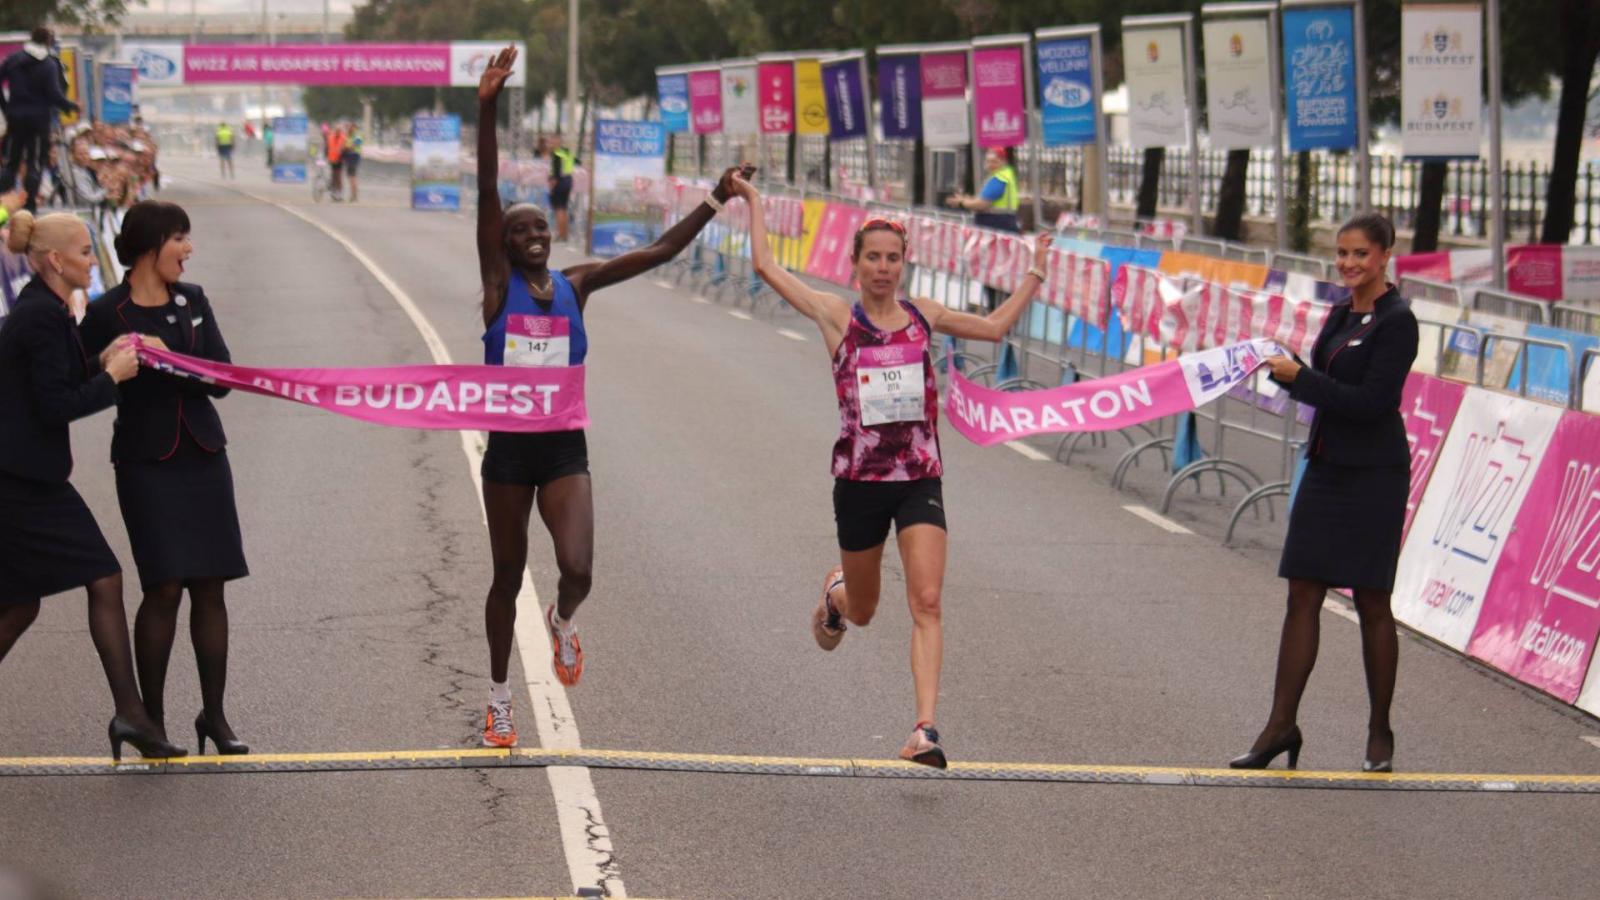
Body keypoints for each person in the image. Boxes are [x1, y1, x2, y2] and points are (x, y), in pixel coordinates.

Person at [474, 46, 750, 747]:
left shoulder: (579, 284)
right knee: (507, 576)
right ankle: (501, 697)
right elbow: (485, 195)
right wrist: (486, 109)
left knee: (578, 569)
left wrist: (716, 196)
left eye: (542, 228)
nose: (536, 236)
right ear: (503, 245)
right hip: (508, 452)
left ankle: (563, 624)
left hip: (564, 448)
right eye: (522, 231)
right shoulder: (495, 291)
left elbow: (659, 252)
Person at [733, 173, 1053, 769]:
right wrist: (753, 201)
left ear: (905, 263)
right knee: (864, 611)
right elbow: (766, 268)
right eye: (873, 258)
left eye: (893, 258)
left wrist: (1033, 271)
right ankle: (836, 594)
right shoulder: (836, 317)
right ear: (854, 264)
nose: (884, 268)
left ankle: (924, 730)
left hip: (919, 479)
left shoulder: (924, 316)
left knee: (927, 600)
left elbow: (993, 328)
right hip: (858, 484)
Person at [1231, 212, 1418, 774]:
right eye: (1341, 254)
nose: (1348, 264)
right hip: (1326, 468)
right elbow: (1323, 384)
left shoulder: (1398, 321)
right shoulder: (1340, 313)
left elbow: (1369, 402)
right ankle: (1279, 726)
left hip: (1374, 474)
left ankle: (1379, 730)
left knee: (1370, 602)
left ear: (1385, 256)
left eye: (1360, 254)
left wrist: (1301, 379)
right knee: (1302, 594)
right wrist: (1282, 371)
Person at [0, 211, 185, 761]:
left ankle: (133, 716)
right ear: (56, 261)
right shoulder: (38, 317)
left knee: (18, 605)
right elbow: (55, 405)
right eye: (83, 252)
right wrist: (111, 379)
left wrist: (103, 359)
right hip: (21, 481)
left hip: (23, 476)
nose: (92, 259)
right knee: (103, 577)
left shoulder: (49, 309)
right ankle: (132, 715)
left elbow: (55, 383)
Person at [81, 200, 250, 757]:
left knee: (211, 584)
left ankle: (215, 715)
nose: (189, 249)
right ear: (152, 245)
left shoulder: (192, 300)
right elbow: (80, 379)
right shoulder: (108, 310)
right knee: (165, 587)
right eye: (181, 238)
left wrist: (168, 355)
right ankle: (149, 720)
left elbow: (221, 376)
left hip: (203, 453)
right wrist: (114, 361)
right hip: (146, 461)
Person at [0, 29, 80, 212]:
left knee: (12, 162)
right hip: (38, 121)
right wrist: (71, 107)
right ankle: (29, 204)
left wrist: (6, 107)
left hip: (15, 119)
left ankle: (2, 198)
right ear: (48, 41)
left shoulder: (14, 59)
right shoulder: (49, 64)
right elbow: (55, 94)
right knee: (34, 162)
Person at [945, 147, 1021, 310]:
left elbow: (982, 204)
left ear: (1003, 162)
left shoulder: (1000, 178)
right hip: (1000, 231)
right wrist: (967, 199)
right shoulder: (1003, 176)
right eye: (988, 161)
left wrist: (962, 203)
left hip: (996, 232)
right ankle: (998, 312)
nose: (989, 165)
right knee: (996, 276)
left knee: (993, 276)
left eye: (994, 161)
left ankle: (997, 314)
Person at [547, 133, 576, 242]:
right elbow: (575, 162)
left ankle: (560, 234)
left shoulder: (556, 154)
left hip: (559, 183)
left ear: (556, 142)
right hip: (568, 181)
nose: (549, 144)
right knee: (564, 209)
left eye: (551, 142)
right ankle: (565, 234)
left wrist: (552, 186)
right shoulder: (566, 152)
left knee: (559, 209)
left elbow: (555, 172)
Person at [341, 121, 363, 203]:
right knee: (351, 177)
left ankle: (354, 195)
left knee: (353, 177)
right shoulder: (348, 135)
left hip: (354, 156)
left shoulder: (357, 135)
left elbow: (356, 144)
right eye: (348, 127)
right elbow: (345, 145)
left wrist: (347, 147)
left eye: (351, 127)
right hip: (349, 156)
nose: (349, 128)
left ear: (354, 127)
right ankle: (353, 195)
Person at [325, 124, 347, 201]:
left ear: (340, 131)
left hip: (339, 160)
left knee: (338, 177)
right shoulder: (330, 137)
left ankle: (339, 193)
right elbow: (327, 148)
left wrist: (340, 158)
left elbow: (344, 150)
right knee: (333, 176)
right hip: (332, 160)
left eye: (339, 130)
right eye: (336, 130)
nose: (337, 132)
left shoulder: (343, 138)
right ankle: (334, 193)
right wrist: (327, 157)